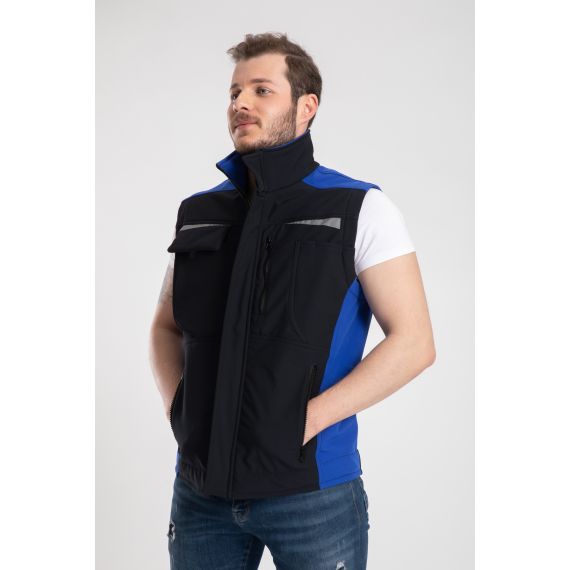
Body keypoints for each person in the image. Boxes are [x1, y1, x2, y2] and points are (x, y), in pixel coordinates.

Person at [149, 31, 436, 570]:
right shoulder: (199, 213)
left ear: (307, 107)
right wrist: (180, 410)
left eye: (262, 90)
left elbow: (415, 342)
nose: (241, 103)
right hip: (200, 493)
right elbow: (165, 326)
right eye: (235, 92)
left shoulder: (359, 207)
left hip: (313, 493)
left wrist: (307, 421)